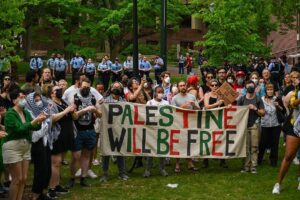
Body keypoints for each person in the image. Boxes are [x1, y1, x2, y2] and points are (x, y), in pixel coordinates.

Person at [3, 89, 46, 200]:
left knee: (23, 178)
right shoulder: (9, 114)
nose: (24, 99)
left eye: (24, 97)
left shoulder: (25, 112)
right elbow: (19, 129)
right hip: (13, 147)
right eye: (21, 97)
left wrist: (39, 121)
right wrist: (34, 121)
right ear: (14, 101)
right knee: (17, 179)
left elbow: (35, 127)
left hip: (26, 146)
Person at [68, 78, 102, 187]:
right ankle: (72, 178)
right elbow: (73, 115)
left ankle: (83, 177)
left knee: (87, 155)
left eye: (87, 87)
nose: (85, 89)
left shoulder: (93, 98)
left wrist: (95, 110)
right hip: (78, 130)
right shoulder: (75, 98)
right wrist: (85, 110)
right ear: (79, 86)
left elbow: (100, 114)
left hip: (89, 129)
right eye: (83, 87)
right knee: (76, 156)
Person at [46, 85, 76, 198]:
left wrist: (72, 111)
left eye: (60, 89)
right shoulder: (50, 104)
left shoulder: (63, 101)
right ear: (52, 93)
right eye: (56, 90)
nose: (59, 91)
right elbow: (52, 118)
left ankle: (57, 185)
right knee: (55, 163)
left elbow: (74, 117)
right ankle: (51, 188)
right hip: (56, 136)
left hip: (66, 135)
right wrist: (67, 111)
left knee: (59, 163)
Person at [272, 84, 300, 194]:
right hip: (295, 126)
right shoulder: (296, 91)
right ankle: (278, 183)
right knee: (288, 156)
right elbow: (293, 104)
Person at [100, 82, 129, 182]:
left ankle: (122, 173)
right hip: (108, 129)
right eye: (114, 86)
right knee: (106, 152)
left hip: (120, 129)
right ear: (110, 88)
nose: (116, 88)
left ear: (121, 89)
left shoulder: (124, 100)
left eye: (118, 87)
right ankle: (104, 174)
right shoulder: (105, 101)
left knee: (120, 152)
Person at [171, 80, 199, 172]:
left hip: (190, 123)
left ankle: (190, 162)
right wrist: (183, 107)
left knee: (189, 142)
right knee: (178, 143)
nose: (183, 87)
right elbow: (172, 111)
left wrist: (194, 105)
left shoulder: (192, 97)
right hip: (179, 124)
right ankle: (177, 163)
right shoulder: (175, 98)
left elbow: (198, 109)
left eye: (184, 85)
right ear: (178, 87)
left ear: (186, 86)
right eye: (181, 86)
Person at [237, 80, 265, 174]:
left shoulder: (258, 99)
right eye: (248, 86)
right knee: (245, 147)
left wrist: (255, 108)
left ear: (255, 87)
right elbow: (236, 112)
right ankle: (246, 166)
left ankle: (253, 166)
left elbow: (263, 113)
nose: (250, 87)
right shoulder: (241, 99)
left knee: (254, 147)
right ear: (245, 87)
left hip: (255, 125)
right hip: (244, 126)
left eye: (252, 86)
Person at [143, 86, 169, 177]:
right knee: (150, 150)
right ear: (155, 92)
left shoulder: (166, 103)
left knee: (161, 150)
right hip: (152, 130)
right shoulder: (149, 103)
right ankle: (148, 170)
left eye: (162, 92)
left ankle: (162, 169)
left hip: (162, 130)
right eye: (159, 91)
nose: (160, 93)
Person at [258, 84, 285, 167]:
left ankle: (273, 161)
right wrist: (261, 112)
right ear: (266, 91)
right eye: (268, 89)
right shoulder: (261, 99)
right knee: (263, 143)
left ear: (273, 90)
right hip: (265, 124)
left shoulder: (277, 99)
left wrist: (278, 106)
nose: (270, 91)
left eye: (271, 89)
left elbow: (283, 110)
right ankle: (259, 159)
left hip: (276, 124)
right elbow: (258, 111)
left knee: (275, 143)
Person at [203, 79, 228, 168]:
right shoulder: (207, 95)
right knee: (207, 139)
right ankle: (205, 160)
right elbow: (206, 106)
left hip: (219, 120)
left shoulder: (222, 95)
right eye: (212, 85)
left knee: (221, 139)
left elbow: (226, 105)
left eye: (216, 85)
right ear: (209, 86)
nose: (214, 87)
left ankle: (222, 160)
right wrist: (217, 103)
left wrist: (227, 105)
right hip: (209, 120)